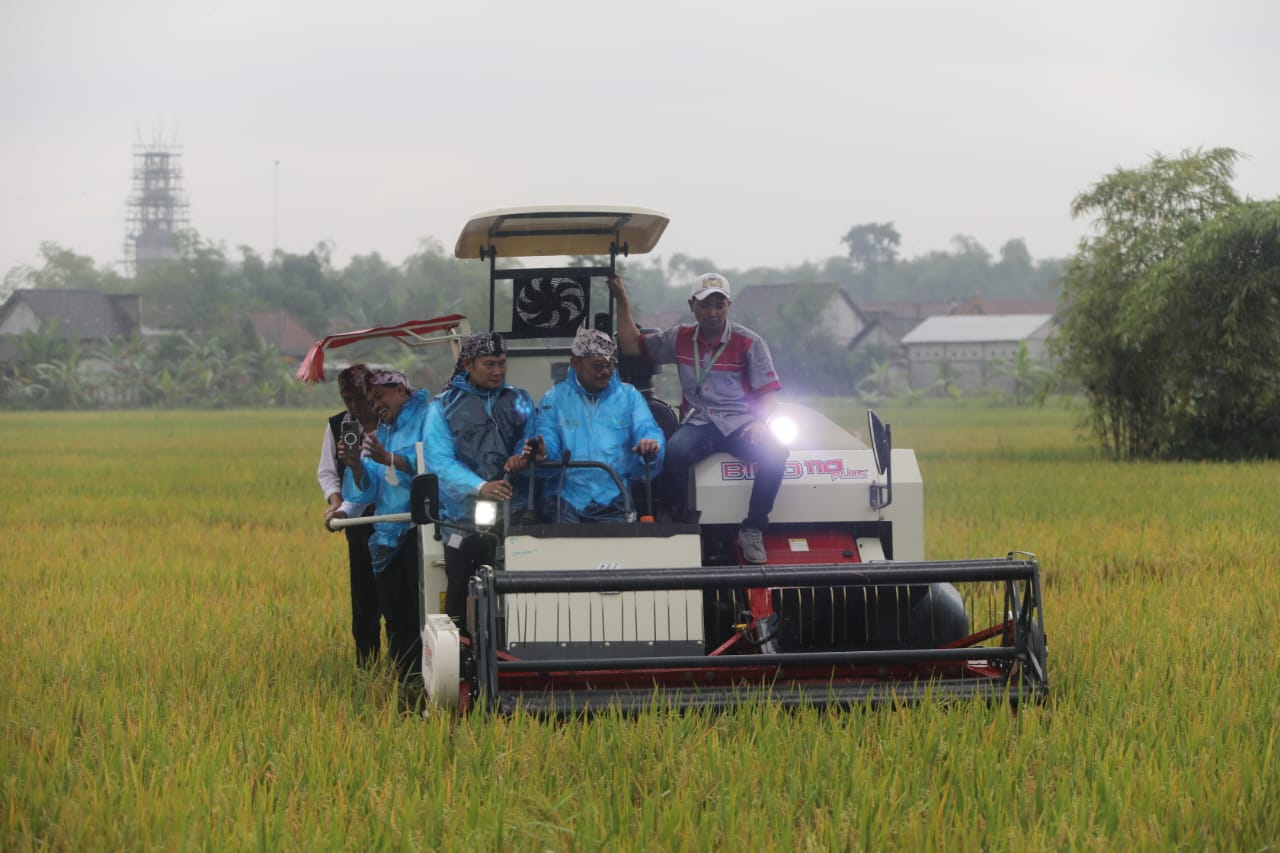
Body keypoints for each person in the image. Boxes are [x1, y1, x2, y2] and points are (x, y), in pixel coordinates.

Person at [609, 272, 786, 563]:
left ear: (729, 304)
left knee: (777, 452)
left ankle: (754, 527)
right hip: (700, 422)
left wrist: (760, 422)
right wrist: (621, 298)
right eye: (705, 305)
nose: (713, 312)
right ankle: (680, 526)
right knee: (673, 453)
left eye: (720, 304)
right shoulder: (681, 338)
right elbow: (632, 346)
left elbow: (768, 397)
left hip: (741, 422)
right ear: (692, 306)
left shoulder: (749, 343)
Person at [424, 332, 536, 630]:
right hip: (462, 517)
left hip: (514, 512)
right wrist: (480, 486)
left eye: (502, 363)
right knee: (459, 584)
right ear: (469, 364)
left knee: (518, 586)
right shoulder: (442, 406)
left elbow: (530, 435)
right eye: (489, 364)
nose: (498, 370)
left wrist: (521, 456)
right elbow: (439, 460)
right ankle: (459, 652)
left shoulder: (519, 399)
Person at [515, 327, 663, 523]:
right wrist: (543, 454)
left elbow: (647, 429)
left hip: (615, 498)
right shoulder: (554, 399)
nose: (605, 372)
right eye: (598, 366)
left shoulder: (629, 396)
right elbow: (546, 438)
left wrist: (650, 444)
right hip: (565, 500)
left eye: (610, 365)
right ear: (576, 363)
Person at [339, 368, 430, 686]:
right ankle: (406, 679)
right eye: (371, 400)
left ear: (402, 390)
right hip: (387, 535)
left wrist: (390, 458)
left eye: (380, 397)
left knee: (420, 613)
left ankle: (429, 677)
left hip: (421, 532)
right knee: (394, 615)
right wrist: (357, 466)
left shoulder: (429, 417)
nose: (375, 405)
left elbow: (436, 462)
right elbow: (367, 489)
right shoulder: (383, 433)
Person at [317, 364, 381, 668]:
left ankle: (406, 665)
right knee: (364, 600)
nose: (354, 405)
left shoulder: (392, 421)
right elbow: (328, 472)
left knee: (401, 598)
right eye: (347, 398)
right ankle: (366, 665)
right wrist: (336, 501)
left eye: (359, 397)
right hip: (357, 522)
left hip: (397, 518)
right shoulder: (338, 426)